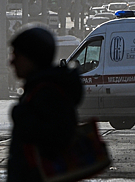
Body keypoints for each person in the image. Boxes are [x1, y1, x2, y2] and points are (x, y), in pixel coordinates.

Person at [7, 25, 83, 182]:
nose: (11, 62)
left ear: (32, 58)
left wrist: (22, 117)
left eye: (17, 55)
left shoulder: (47, 94)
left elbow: (57, 138)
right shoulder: (40, 90)